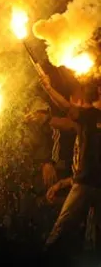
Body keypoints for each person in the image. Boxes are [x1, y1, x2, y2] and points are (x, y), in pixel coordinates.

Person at [37, 67, 101, 251]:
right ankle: (46, 264)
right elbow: (66, 109)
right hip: (84, 183)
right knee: (61, 228)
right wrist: (48, 88)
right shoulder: (90, 116)